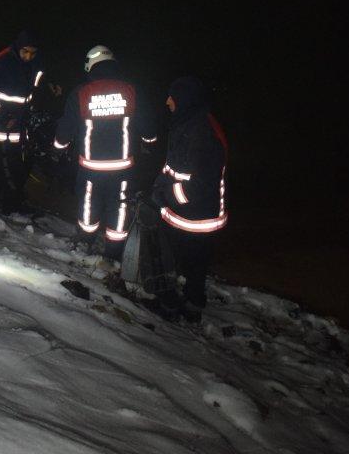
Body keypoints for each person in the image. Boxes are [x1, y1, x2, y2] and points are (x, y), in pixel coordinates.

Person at [52, 44, 158, 259]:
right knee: (119, 208)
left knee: (89, 205)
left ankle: (85, 242)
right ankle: (114, 252)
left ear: (90, 65)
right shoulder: (131, 90)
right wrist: (150, 142)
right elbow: (147, 124)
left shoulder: (81, 93)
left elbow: (67, 127)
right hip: (123, 167)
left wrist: (58, 147)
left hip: (91, 167)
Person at [150, 75, 228, 322]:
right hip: (183, 213)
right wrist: (157, 186)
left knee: (193, 265)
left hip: (198, 218)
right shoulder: (185, 123)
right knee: (179, 261)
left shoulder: (203, 134)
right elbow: (174, 166)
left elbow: (200, 186)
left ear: (184, 99)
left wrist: (165, 196)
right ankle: (176, 303)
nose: (167, 102)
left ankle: (187, 308)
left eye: (171, 96)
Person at [0, 29, 46, 215]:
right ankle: (10, 202)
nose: (28, 56)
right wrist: (2, 117)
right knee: (9, 163)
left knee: (7, 162)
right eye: (25, 52)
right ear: (17, 47)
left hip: (17, 123)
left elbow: (34, 86)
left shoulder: (32, 64)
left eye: (32, 53)